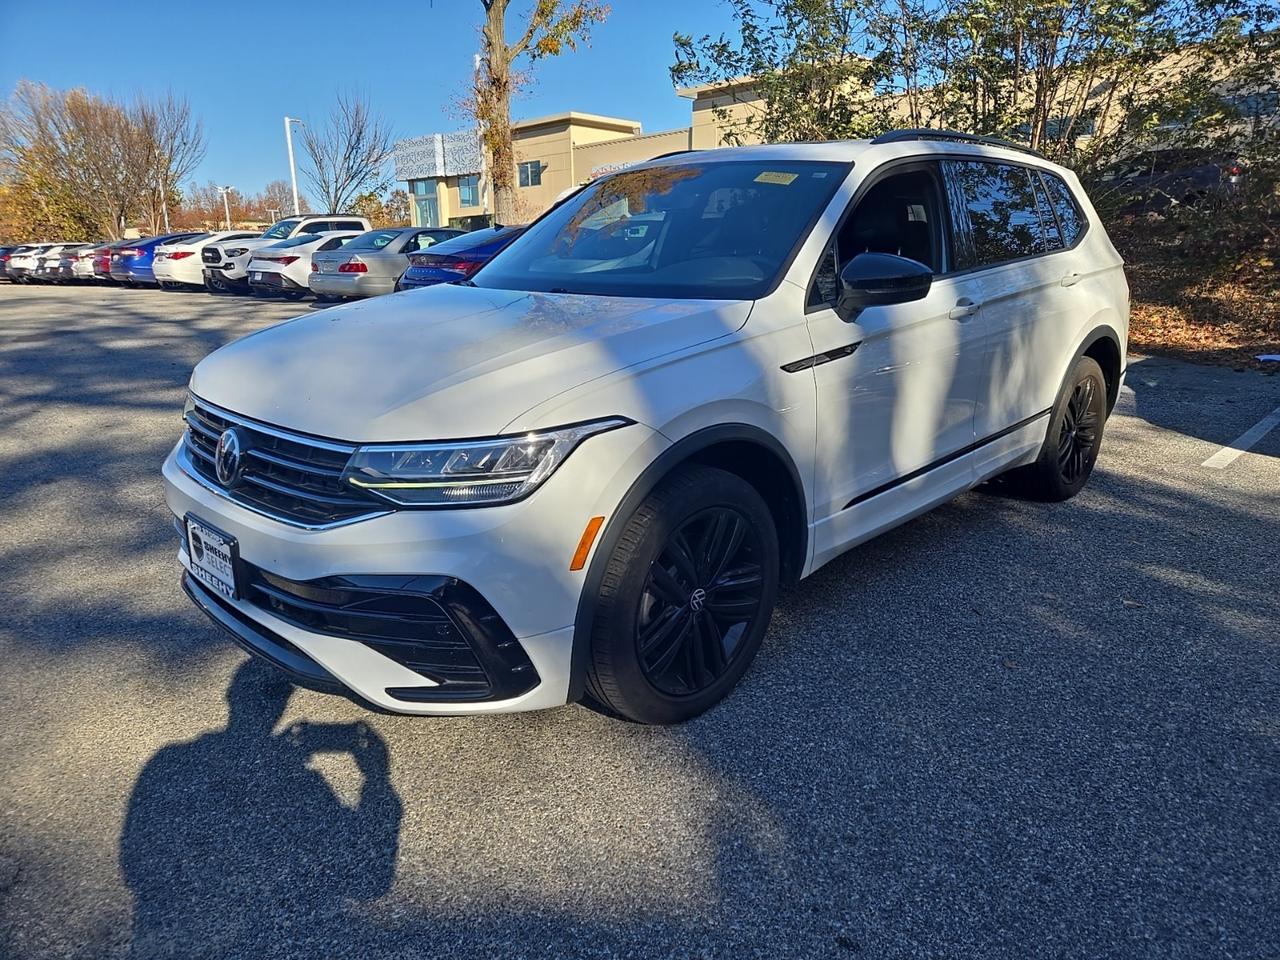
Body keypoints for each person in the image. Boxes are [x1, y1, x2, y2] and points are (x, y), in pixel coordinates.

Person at [120, 660, 401, 957]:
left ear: (231, 695)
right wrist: (376, 780)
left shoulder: (170, 765)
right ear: (282, 705)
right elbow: (368, 881)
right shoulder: (301, 791)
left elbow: (136, 862)